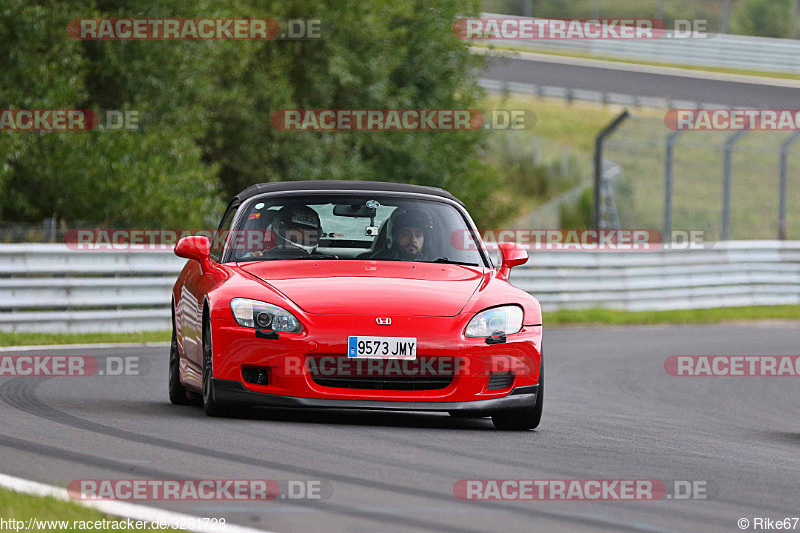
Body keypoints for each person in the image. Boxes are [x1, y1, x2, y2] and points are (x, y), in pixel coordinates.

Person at [247, 204, 322, 258]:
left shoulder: (324, 261)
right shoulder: (252, 257)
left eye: (309, 234)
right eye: (297, 232)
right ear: (278, 227)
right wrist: (254, 259)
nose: (303, 237)